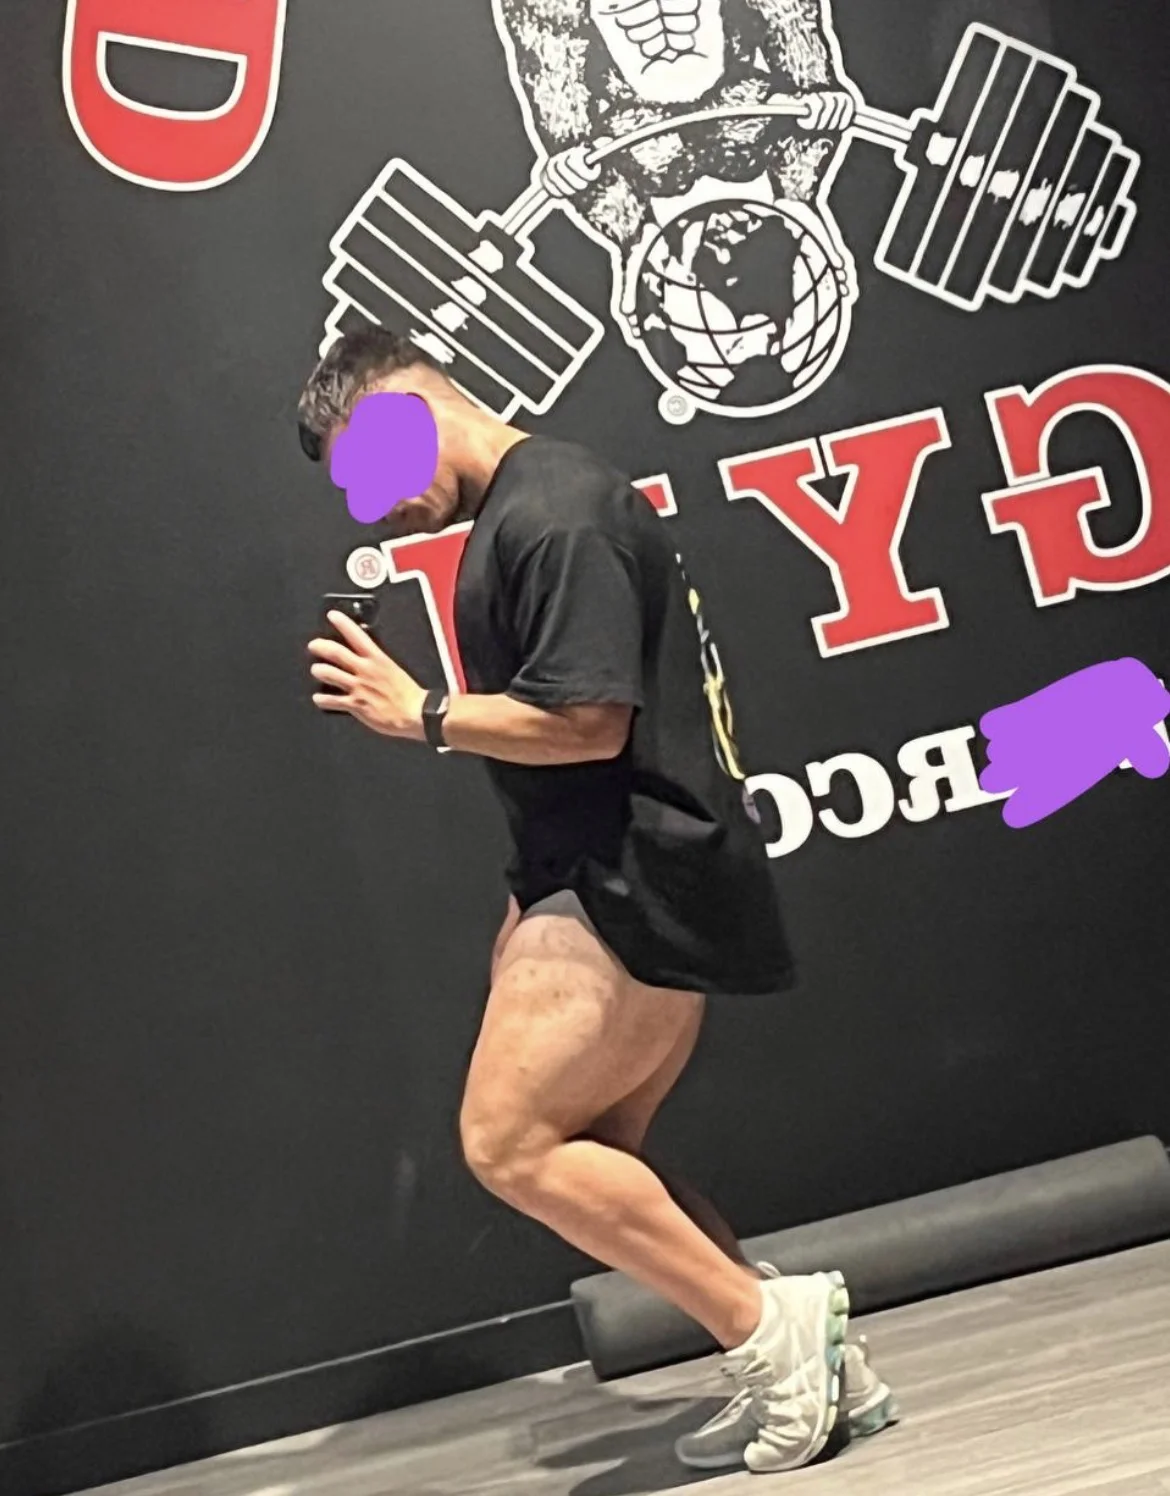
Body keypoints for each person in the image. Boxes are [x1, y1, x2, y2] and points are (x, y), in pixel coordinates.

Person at [297, 328, 895, 1473]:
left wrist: (419, 712)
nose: (374, 510)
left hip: (636, 875)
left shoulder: (556, 512)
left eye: (369, 471)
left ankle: (774, 1327)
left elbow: (587, 723)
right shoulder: (529, 510)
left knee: (510, 1140)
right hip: (598, 872)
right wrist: (530, 899)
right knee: (597, 1157)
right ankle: (817, 1367)